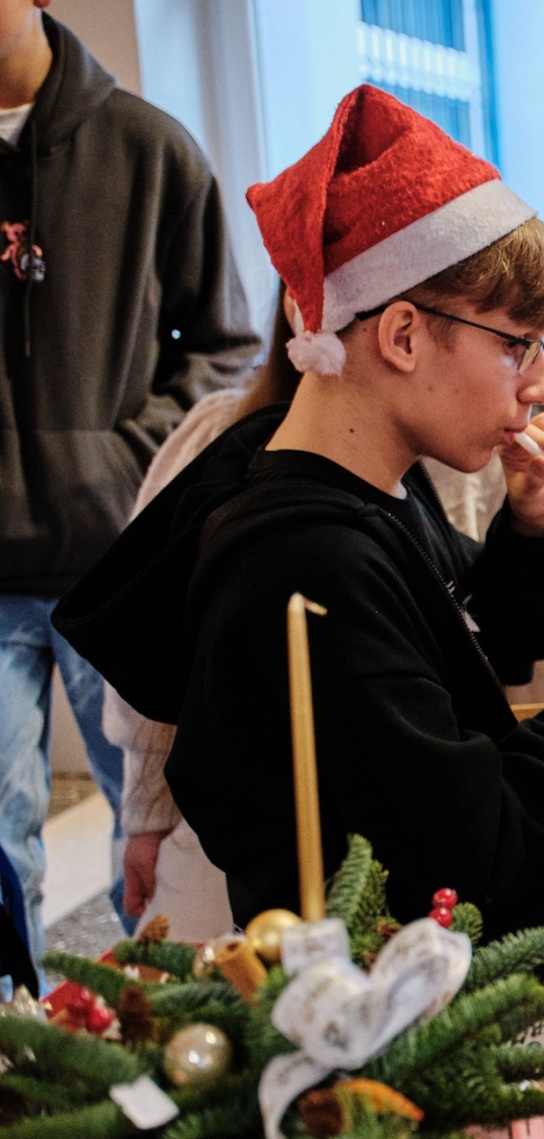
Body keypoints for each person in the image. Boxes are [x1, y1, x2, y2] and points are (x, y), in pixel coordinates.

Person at [57, 86, 544, 1057]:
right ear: (401, 335)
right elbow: (486, 846)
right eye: (517, 346)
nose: (542, 384)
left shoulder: (374, 488)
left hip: (511, 935)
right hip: (450, 1010)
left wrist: (534, 528)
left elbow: (485, 650)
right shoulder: (303, 562)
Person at [0, 0, 258, 979]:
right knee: (0, 844)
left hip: (119, 566)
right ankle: (24, 1047)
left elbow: (227, 347)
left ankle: (165, 1033)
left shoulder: (150, 148)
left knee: (153, 841)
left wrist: (126, 458)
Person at [107, 292, 303, 943]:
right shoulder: (222, 434)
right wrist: (146, 812)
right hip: (221, 828)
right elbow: (158, 646)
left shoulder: (467, 455)